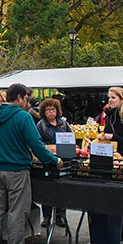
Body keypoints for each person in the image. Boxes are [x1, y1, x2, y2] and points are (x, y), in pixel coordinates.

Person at [0, 83, 62, 244]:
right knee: (17, 212)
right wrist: (53, 160)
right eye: (26, 99)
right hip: (17, 171)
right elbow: (36, 145)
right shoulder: (23, 117)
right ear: (19, 97)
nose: (28, 103)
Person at [97, 86, 123, 240]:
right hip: (110, 161)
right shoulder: (109, 116)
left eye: (114, 97)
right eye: (109, 97)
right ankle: (112, 228)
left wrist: (113, 137)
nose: (110, 100)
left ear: (122, 99)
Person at [36, 97, 72, 228]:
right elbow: (38, 142)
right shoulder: (41, 125)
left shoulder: (63, 123)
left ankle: (60, 215)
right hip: (49, 160)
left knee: (62, 188)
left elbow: (70, 137)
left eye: (53, 109)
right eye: (48, 110)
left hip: (64, 160)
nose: (51, 112)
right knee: (47, 189)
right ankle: (46, 216)